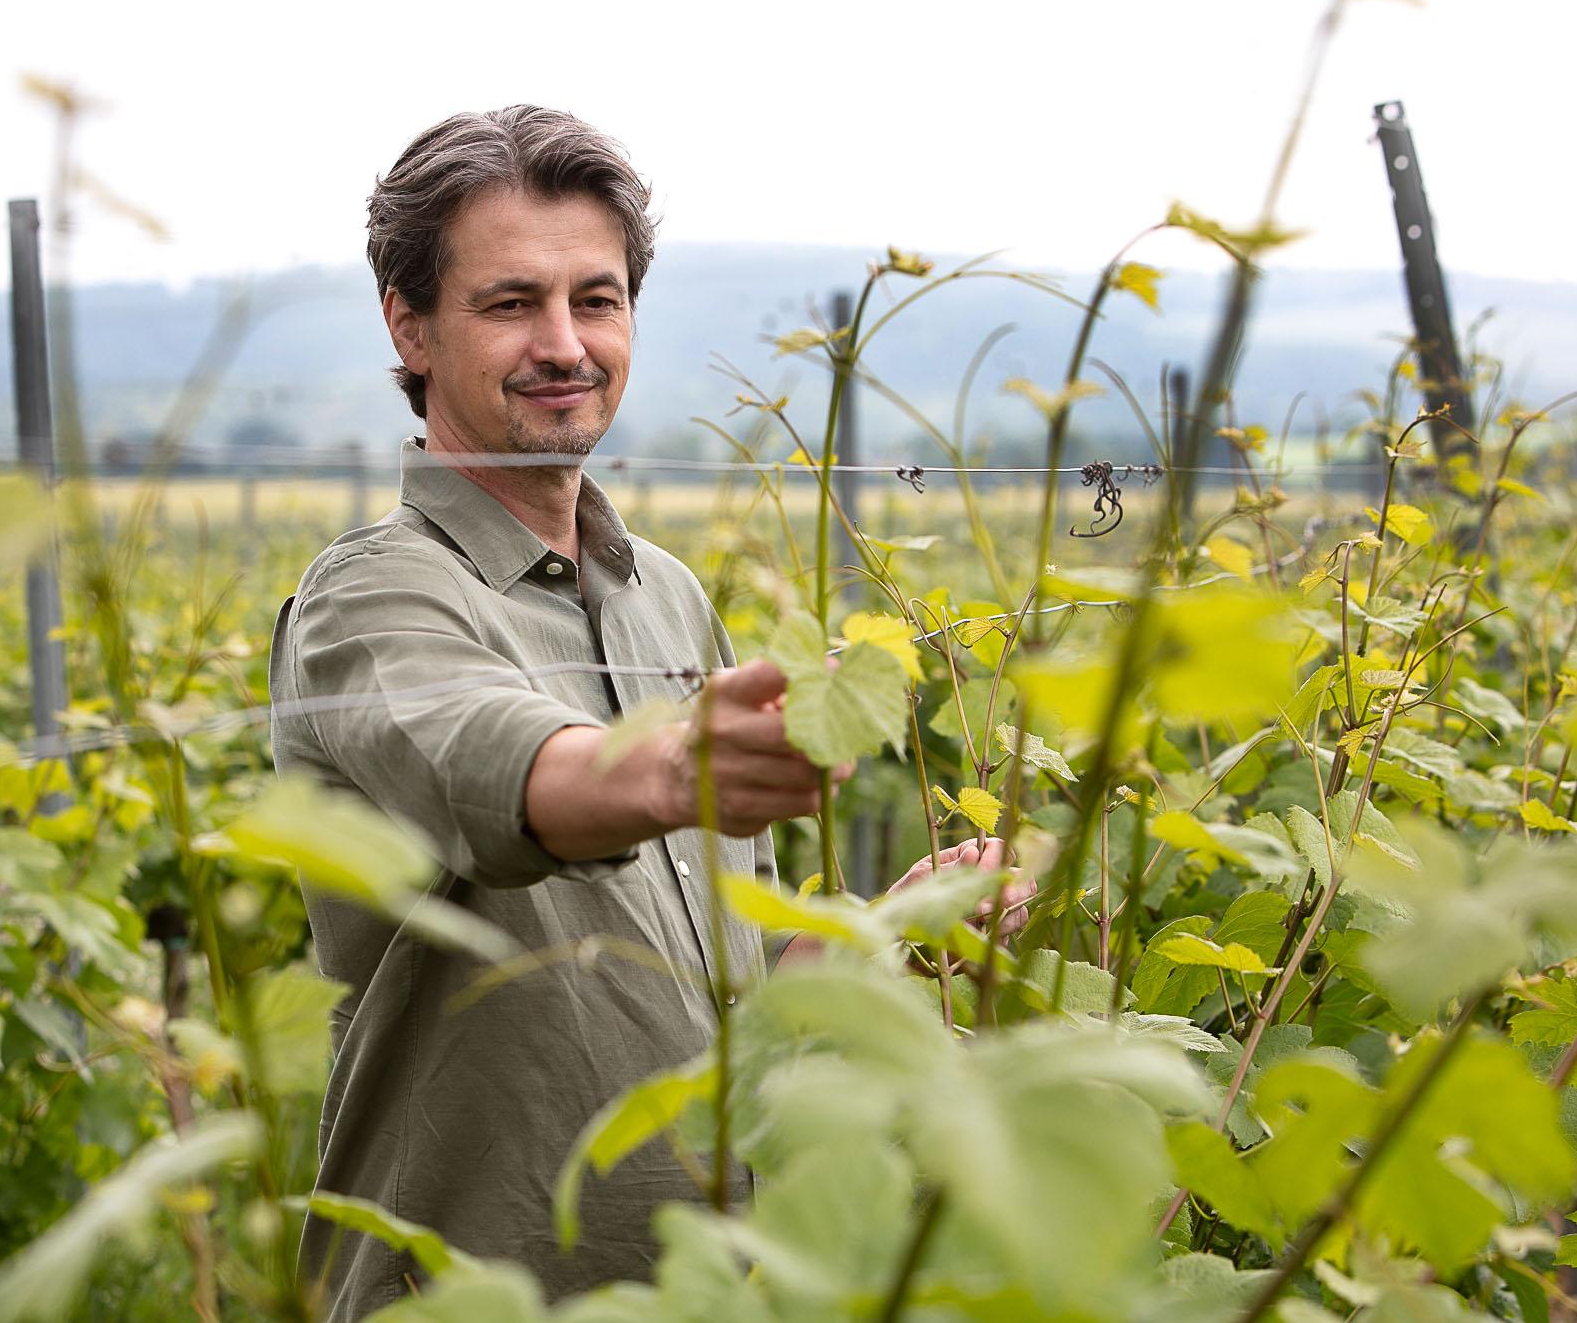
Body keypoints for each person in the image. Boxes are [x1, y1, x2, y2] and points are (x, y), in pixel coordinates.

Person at [267, 105, 1023, 1321]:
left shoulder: (664, 597)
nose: (563, 343)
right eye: (510, 303)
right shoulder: (369, 594)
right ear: (408, 324)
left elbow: (722, 980)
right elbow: (506, 769)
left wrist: (878, 940)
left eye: (597, 299)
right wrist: (668, 770)